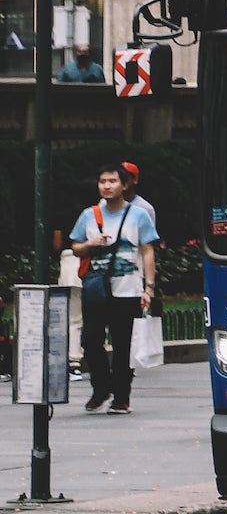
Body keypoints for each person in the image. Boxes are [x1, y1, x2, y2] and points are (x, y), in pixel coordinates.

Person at [66, 162, 156, 414]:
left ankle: (121, 397)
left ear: (124, 185)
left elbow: (148, 252)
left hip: (127, 289)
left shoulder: (139, 215)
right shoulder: (89, 215)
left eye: (113, 181)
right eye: (103, 181)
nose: (107, 186)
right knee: (90, 339)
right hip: (96, 287)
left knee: (122, 344)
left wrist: (148, 287)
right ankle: (101, 387)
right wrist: (90, 243)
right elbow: (75, 247)